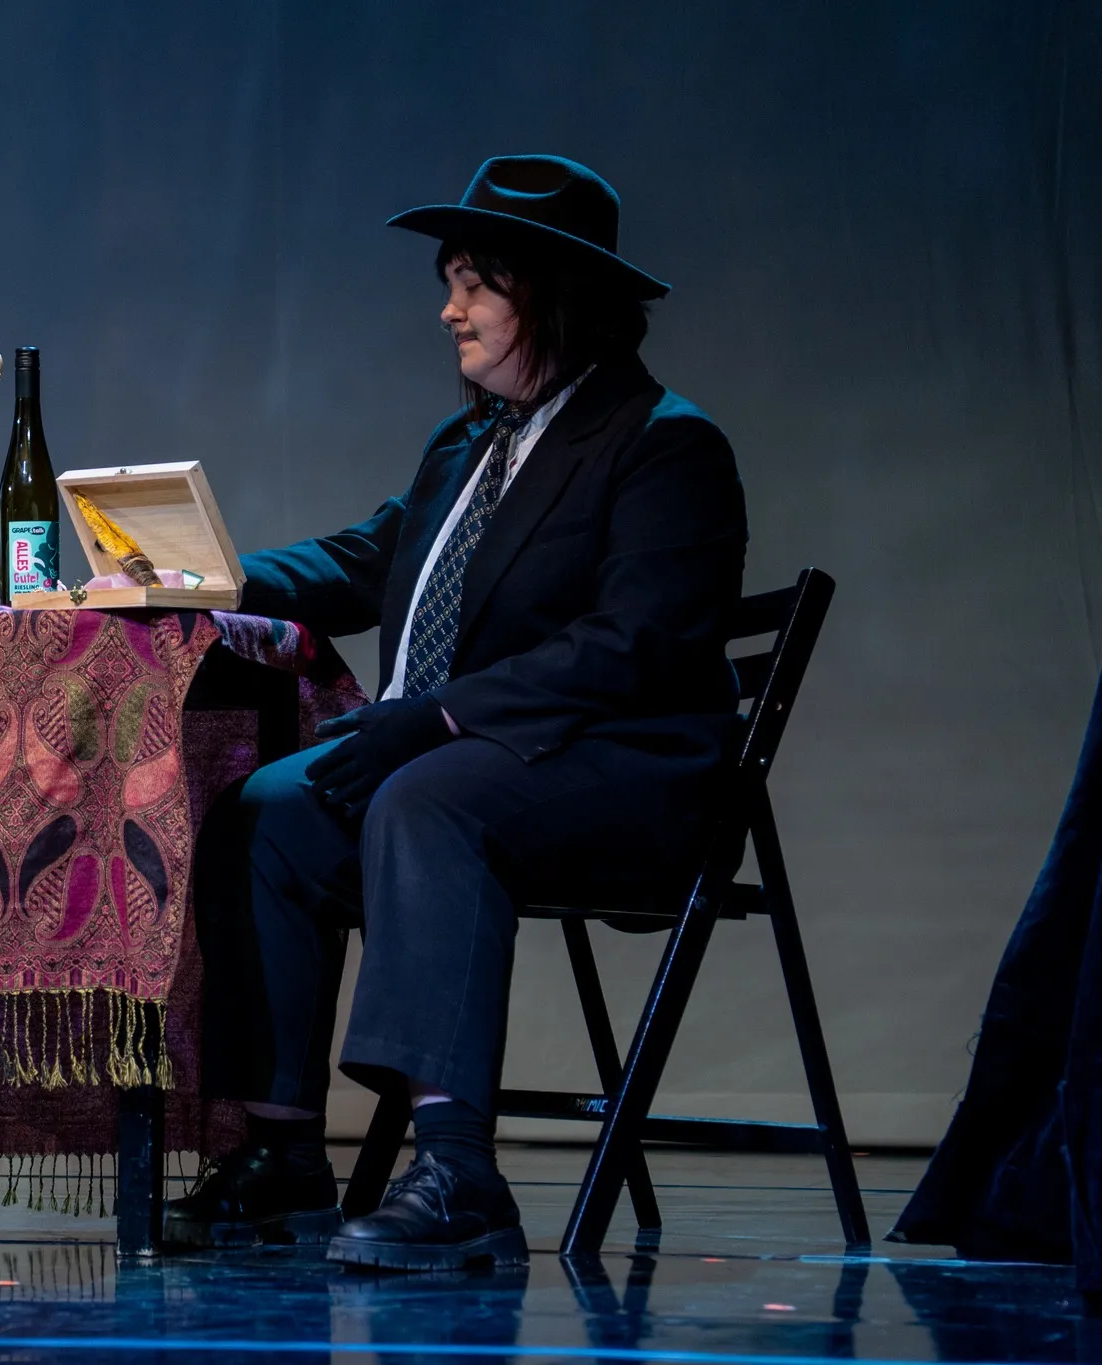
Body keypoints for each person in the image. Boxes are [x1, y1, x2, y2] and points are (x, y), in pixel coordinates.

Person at [164, 156, 748, 1272]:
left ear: (557, 295)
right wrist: (199, 579)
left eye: (477, 283)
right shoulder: (467, 447)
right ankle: (283, 1148)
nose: (449, 309)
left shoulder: (661, 444)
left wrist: (434, 718)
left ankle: (458, 1173)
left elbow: (635, 642)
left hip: (619, 770)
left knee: (424, 800)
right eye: (449, 282)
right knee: (265, 813)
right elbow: (362, 562)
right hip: (474, 758)